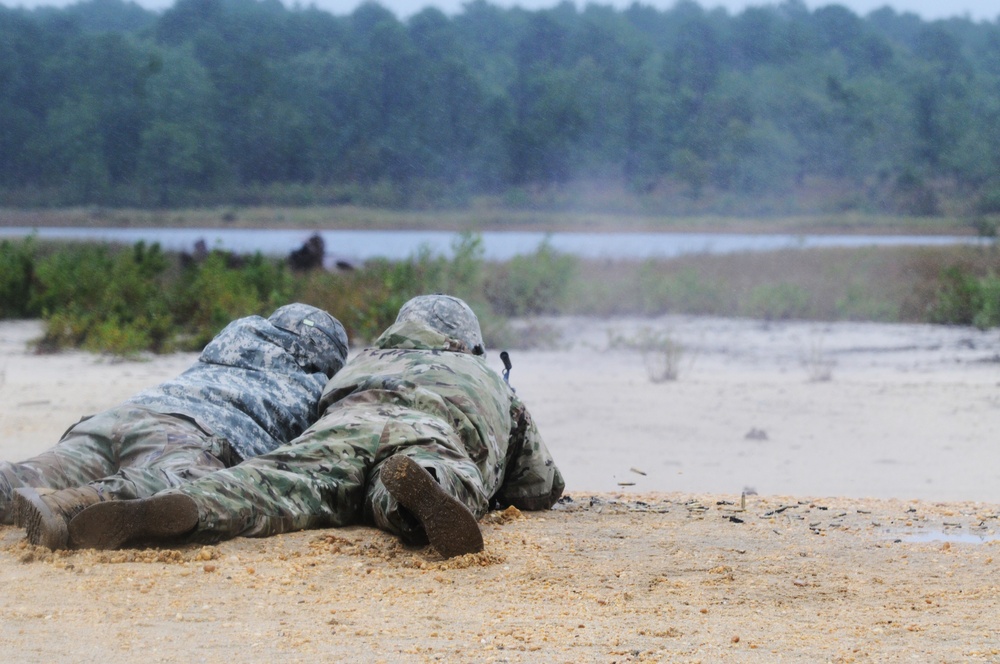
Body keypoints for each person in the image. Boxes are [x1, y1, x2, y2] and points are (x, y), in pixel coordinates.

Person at [67, 294, 564, 558]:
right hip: (426, 433)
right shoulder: (486, 377)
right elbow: (539, 485)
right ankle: (418, 493)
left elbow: (316, 412)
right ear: (469, 342)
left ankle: (196, 504)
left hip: (341, 431)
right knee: (435, 470)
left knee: (273, 483)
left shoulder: (362, 361)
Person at [1, 303, 349, 549]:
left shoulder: (229, 345)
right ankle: (75, 505)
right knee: (173, 479)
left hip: (119, 416)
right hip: (186, 430)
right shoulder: (314, 387)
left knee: (34, 472)